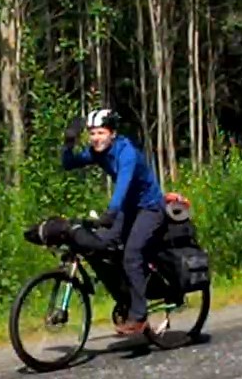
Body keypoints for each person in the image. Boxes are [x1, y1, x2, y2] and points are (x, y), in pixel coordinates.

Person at [61, 108, 166, 335]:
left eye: (100, 132)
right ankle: (125, 296)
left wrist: (110, 212)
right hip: (127, 210)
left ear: (112, 133)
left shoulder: (126, 153)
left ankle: (139, 316)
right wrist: (68, 143)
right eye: (92, 133)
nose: (96, 138)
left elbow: (123, 185)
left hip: (149, 208)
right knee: (99, 246)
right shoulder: (99, 152)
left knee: (132, 255)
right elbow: (69, 164)